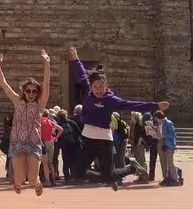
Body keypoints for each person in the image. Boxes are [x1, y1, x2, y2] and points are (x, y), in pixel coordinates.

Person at [69, 46, 166, 190]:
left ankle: (131, 168)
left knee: (108, 175)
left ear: (106, 85)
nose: (98, 90)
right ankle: (108, 177)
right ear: (92, 87)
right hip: (88, 138)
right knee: (77, 172)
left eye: (101, 87)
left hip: (105, 140)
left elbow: (131, 105)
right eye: (96, 87)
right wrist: (76, 59)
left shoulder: (111, 99)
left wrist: (155, 106)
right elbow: (81, 74)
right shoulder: (88, 91)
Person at [0, 49, 51, 195]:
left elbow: (47, 84)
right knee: (19, 177)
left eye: (34, 91)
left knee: (31, 179)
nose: (31, 94)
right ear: (24, 92)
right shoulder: (17, 101)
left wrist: (47, 63)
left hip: (33, 141)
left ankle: (37, 181)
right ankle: (18, 182)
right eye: (28, 91)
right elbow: (4, 84)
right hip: (17, 141)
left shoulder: (40, 104)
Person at [53, 109, 81, 182]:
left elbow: (56, 134)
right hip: (73, 143)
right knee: (74, 159)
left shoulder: (58, 124)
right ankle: (74, 175)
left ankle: (67, 177)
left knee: (65, 160)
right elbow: (78, 133)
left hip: (64, 144)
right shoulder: (72, 122)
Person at [153, 110, 180, 186]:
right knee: (163, 163)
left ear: (159, 117)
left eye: (156, 119)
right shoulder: (159, 124)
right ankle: (166, 178)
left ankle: (175, 179)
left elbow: (173, 135)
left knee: (170, 163)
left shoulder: (168, 123)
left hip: (169, 145)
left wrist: (164, 136)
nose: (156, 120)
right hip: (161, 144)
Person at [41, 109, 63, 186]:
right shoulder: (50, 122)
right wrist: (56, 137)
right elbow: (61, 129)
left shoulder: (39, 122)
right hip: (51, 141)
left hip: (43, 143)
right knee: (50, 162)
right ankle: (53, 179)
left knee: (45, 163)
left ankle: (47, 181)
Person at [129, 112, 148, 183]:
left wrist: (138, 146)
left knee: (141, 161)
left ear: (136, 118)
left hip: (139, 146)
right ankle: (140, 176)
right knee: (138, 162)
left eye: (132, 117)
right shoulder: (134, 125)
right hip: (135, 145)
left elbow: (141, 137)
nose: (131, 118)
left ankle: (144, 177)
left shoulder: (139, 126)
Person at [143, 113, 158, 181]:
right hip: (153, 143)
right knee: (152, 160)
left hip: (155, 143)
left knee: (152, 160)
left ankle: (152, 176)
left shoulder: (154, 123)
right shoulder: (150, 123)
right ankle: (151, 175)